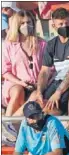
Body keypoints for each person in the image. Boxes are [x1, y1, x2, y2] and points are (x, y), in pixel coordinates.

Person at [11, 7, 69, 118]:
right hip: (57, 82)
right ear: (54, 26)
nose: (64, 26)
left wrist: (58, 93)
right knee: (35, 96)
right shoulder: (52, 44)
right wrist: (39, 91)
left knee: (49, 108)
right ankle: (10, 123)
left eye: (67, 23)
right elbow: (44, 71)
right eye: (60, 24)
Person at [1, 10, 47, 145]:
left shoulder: (42, 44)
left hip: (35, 84)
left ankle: (9, 126)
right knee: (18, 91)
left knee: (35, 96)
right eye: (23, 23)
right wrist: (21, 82)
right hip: (14, 82)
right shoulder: (9, 45)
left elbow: (48, 68)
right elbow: (5, 71)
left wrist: (40, 84)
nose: (26, 25)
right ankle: (7, 123)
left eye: (29, 22)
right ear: (17, 25)